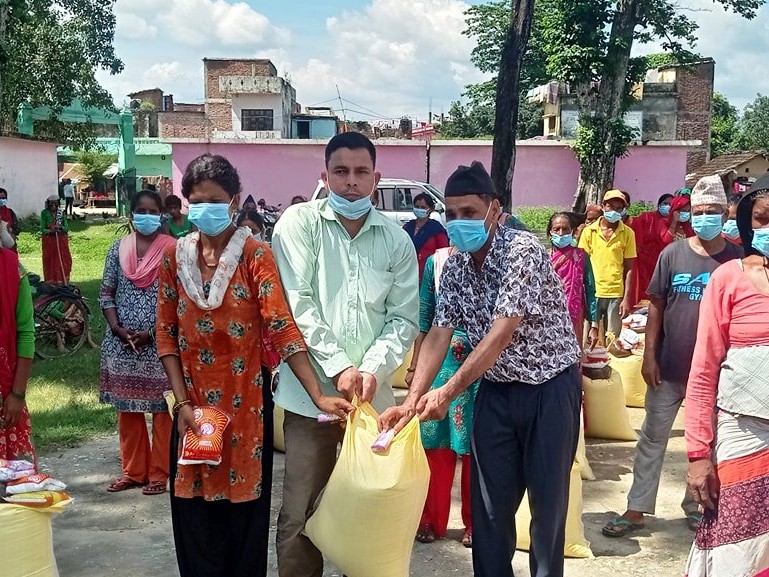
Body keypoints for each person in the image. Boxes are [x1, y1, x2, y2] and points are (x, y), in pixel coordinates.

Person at [380, 161, 581, 577]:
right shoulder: (453, 265)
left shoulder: (521, 251)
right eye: (450, 214)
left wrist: (447, 392)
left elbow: (500, 334)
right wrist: (413, 399)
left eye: (468, 213)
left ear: (494, 209)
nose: (457, 223)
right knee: (489, 511)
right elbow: (439, 331)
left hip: (549, 389)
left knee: (547, 509)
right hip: (496, 393)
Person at [156, 153, 350, 577]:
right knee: (194, 518)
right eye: (197, 200)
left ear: (235, 200)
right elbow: (166, 335)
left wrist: (318, 392)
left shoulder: (254, 255)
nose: (206, 209)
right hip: (192, 411)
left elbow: (281, 326)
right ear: (186, 202)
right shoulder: (175, 258)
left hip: (246, 408)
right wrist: (180, 403)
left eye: (216, 199)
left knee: (242, 518)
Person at [271, 132, 419, 577]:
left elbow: (403, 318)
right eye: (340, 172)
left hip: (372, 405)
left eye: (360, 173)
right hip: (310, 398)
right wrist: (340, 367)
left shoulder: (396, 240)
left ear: (376, 178)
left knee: (370, 510)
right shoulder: (298, 225)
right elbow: (298, 303)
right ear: (324, 175)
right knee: (300, 513)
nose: (350, 183)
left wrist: (372, 369)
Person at [602, 175, 743, 539]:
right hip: (669, 368)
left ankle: (696, 506)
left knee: (706, 444)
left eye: (713, 210)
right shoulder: (672, 254)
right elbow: (657, 308)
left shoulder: (737, 258)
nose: (705, 217)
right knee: (652, 438)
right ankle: (636, 509)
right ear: (689, 215)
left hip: (716, 374)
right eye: (699, 211)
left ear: (725, 211)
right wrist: (649, 356)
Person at [684, 185, 769, 577]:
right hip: (742, 432)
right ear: (748, 224)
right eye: (763, 219)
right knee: (737, 544)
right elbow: (703, 372)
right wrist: (699, 455)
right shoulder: (727, 279)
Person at [99, 190, 177, 496]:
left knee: (162, 410)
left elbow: (177, 298)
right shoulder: (117, 249)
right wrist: (118, 328)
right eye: (140, 210)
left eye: (152, 210)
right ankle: (133, 472)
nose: (146, 215)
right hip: (122, 345)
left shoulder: (173, 250)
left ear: (161, 214)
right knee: (128, 411)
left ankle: (160, 473)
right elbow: (106, 293)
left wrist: (151, 332)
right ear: (132, 214)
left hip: (159, 345)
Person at [408, 246, 478, 548]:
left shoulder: (494, 259)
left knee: (476, 449)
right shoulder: (436, 262)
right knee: (434, 443)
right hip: (441, 363)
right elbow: (426, 320)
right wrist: (414, 369)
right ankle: (430, 520)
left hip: (479, 367)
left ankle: (476, 523)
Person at [578, 189, 637, 338]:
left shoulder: (628, 233)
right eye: (611, 207)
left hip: (615, 293)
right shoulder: (589, 231)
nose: (614, 211)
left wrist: (626, 298)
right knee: (589, 339)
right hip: (593, 293)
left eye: (619, 208)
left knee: (612, 339)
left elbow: (630, 268)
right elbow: (581, 266)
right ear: (603, 206)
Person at [0, 247, 35, 464]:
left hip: (5, 397)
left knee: (10, 487)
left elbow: (25, 334)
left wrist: (17, 394)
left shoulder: (12, 268)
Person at [548, 212, 599, 348]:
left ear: (572, 231)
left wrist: (594, 323)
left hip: (574, 318)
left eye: (565, 229)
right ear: (550, 233)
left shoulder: (581, 256)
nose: (561, 233)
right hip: (547, 320)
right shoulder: (543, 258)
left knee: (573, 359)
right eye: (556, 229)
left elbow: (590, 290)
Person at [629, 194, 674, 304]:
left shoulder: (675, 223)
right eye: (665, 204)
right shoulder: (646, 217)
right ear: (659, 205)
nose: (668, 207)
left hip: (663, 264)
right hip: (643, 264)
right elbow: (636, 243)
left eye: (671, 205)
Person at [403, 192, 449, 280]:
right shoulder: (407, 227)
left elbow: (443, 254)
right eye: (417, 207)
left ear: (430, 209)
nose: (419, 209)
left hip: (428, 276)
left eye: (423, 207)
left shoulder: (436, 229)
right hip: (408, 274)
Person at [40, 195, 72, 284]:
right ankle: (51, 281)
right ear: (48, 204)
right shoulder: (44, 213)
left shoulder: (61, 213)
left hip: (61, 241)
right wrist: (51, 230)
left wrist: (60, 227)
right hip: (49, 242)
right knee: (50, 261)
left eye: (55, 204)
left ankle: (62, 281)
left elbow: (66, 227)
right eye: (51, 204)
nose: (54, 206)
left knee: (63, 260)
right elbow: (42, 229)